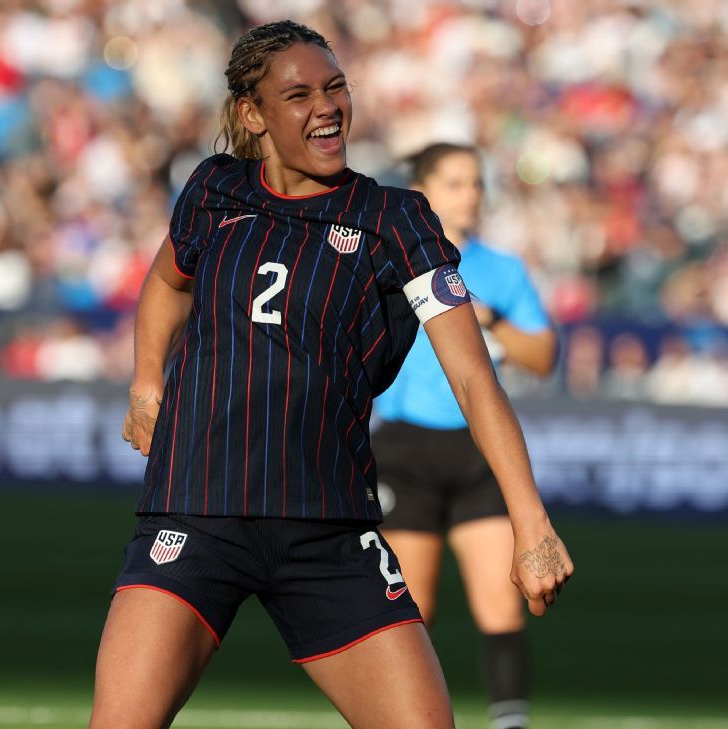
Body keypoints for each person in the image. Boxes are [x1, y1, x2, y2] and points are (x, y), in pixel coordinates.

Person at [92, 21, 571, 729]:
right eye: (299, 94)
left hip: (329, 529)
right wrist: (145, 384)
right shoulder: (213, 191)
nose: (327, 106)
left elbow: (475, 379)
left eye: (336, 87)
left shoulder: (395, 220)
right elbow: (166, 282)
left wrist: (531, 522)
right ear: (253, 115)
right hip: (195, 513)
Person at [373, 143, 559, 729]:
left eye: (476, 183)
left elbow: (543, 355)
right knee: (410, 612)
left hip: (478, 449)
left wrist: (492, 318)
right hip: (404, 450)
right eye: (456, 183)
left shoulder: (501, 270)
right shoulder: (390, 258)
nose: (471, 194)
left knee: (503, 603)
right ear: (423, 192)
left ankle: (510, 723)